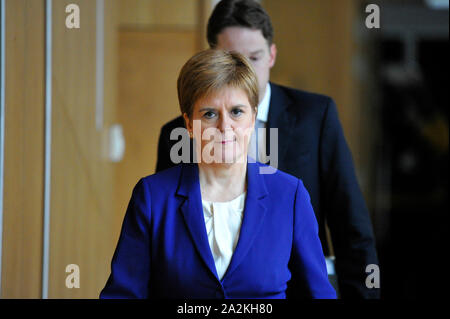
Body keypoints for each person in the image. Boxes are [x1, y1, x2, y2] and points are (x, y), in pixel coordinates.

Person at [155, 0, 379, 299]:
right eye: (233, 59)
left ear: (272, 54)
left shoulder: (315, 117)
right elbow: (163, 235)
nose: (245, 70)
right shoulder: (178, 133)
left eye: (255, 58)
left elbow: (351, 228)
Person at [100, 49, 336, 299]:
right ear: (189, 124)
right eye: (210, 114)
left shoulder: (290, 196)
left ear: (253, 117)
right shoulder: (152, 197)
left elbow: (318, 295)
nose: (225, 127)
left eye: (237, 112)